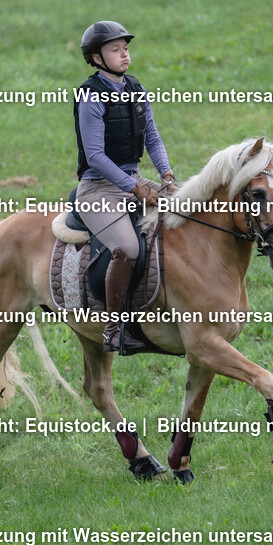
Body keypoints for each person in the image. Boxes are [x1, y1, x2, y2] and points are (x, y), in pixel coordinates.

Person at [73, 20, 176, 353]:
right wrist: (135, 188)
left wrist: (167, 176)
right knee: (128, 249)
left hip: (134, 180)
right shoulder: (91, 95)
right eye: (115, 49)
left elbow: (153, 138)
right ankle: (113, 330)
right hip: (98, 189)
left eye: (126, 48)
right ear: (97, 58)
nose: (124, 54)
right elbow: (96, 156)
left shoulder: (135, 88)